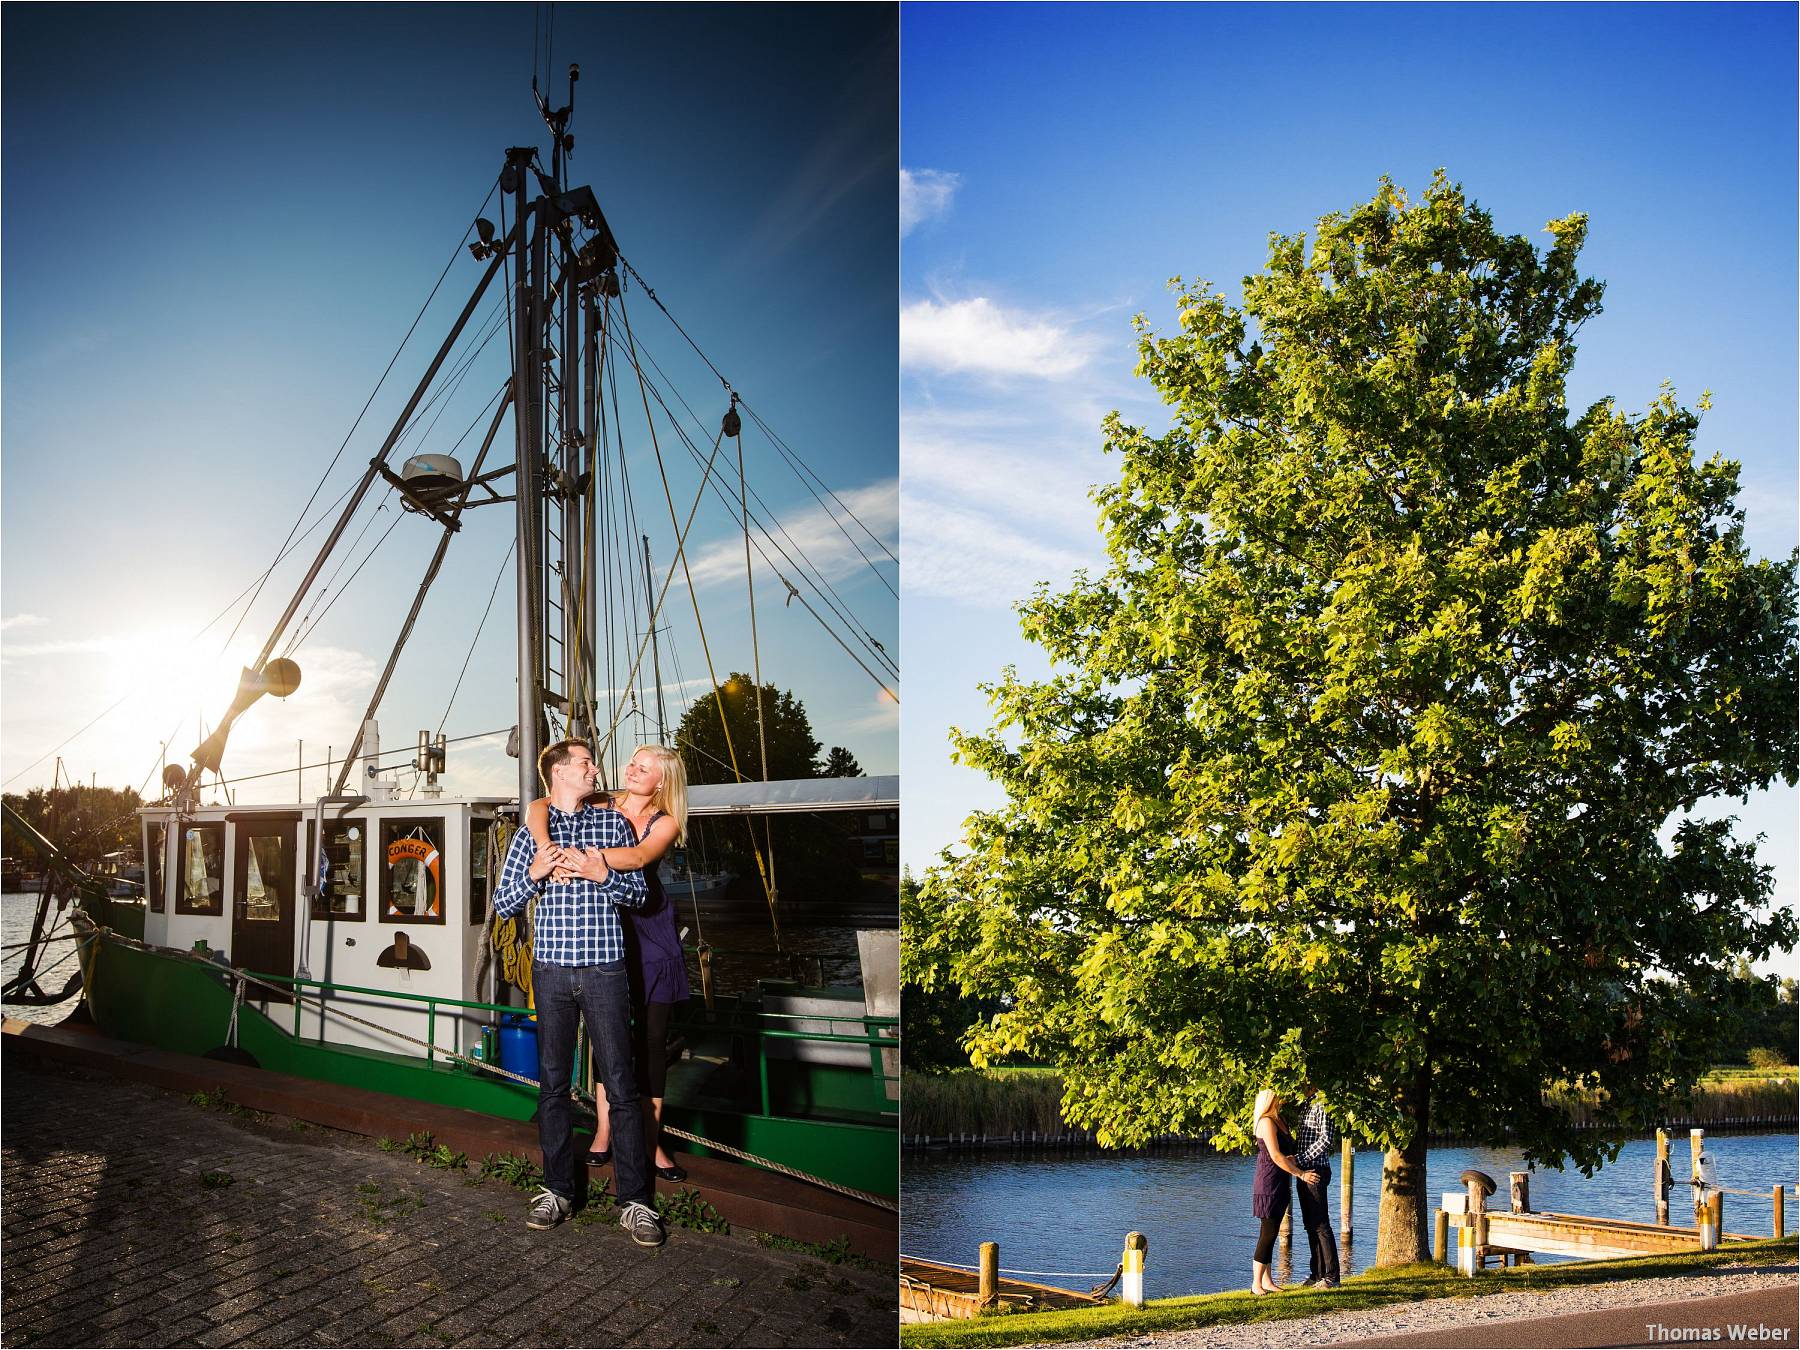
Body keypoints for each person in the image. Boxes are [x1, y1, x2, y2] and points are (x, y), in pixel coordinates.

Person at [491, 737, 665, 1247]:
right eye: (586, 763)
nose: (595, 769)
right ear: (560, 772)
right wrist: (535, 873)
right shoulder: (532, 834)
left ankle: (634, 1201)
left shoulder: (611, 824)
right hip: (550, 972)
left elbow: (640, 895)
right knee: (552, 1084)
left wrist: (600, 872)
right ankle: (558, 1189)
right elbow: (503, 903)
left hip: (606, 970)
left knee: (621, 1081)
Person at [526, 744, 693, 1180]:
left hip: (648, 929)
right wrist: (547, 847)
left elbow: (637, 858)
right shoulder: (601, 802)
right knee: (609, 1037)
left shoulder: (666, 821)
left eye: (645, 768)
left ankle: (650, 1141)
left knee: (652, 1041)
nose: (632, 770)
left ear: (662, 781)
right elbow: (537, 805)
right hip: (606, 925)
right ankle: (603, 1133)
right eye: (633, 763)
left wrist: (586, 858)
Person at [1251, 1089, 1320, 1294]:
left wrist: (1293, 1161)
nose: (1281, 1100)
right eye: (1277, 1097)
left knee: (1271, 1232)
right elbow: (1276, 1155)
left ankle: (1268, 1281)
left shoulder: (1278, 1119)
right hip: (1269, 1182)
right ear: (1270, 1100)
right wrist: (1301, 1174)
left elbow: (1287, 1153)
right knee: (1268, 1232)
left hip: (1281, 1181)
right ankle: (1256, 1283)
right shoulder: (1266, 1122)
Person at [1293, 1087, 1340, 1289]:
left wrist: (1299, 1159)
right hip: (1302, 1170)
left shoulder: (1322, 1103)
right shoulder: (1305, 1104)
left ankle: (1331, 1277)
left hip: (1315, 1169)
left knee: (1321, 1224)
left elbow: (1326, 1139)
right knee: (1310, 1224)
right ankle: (1317, 1273)